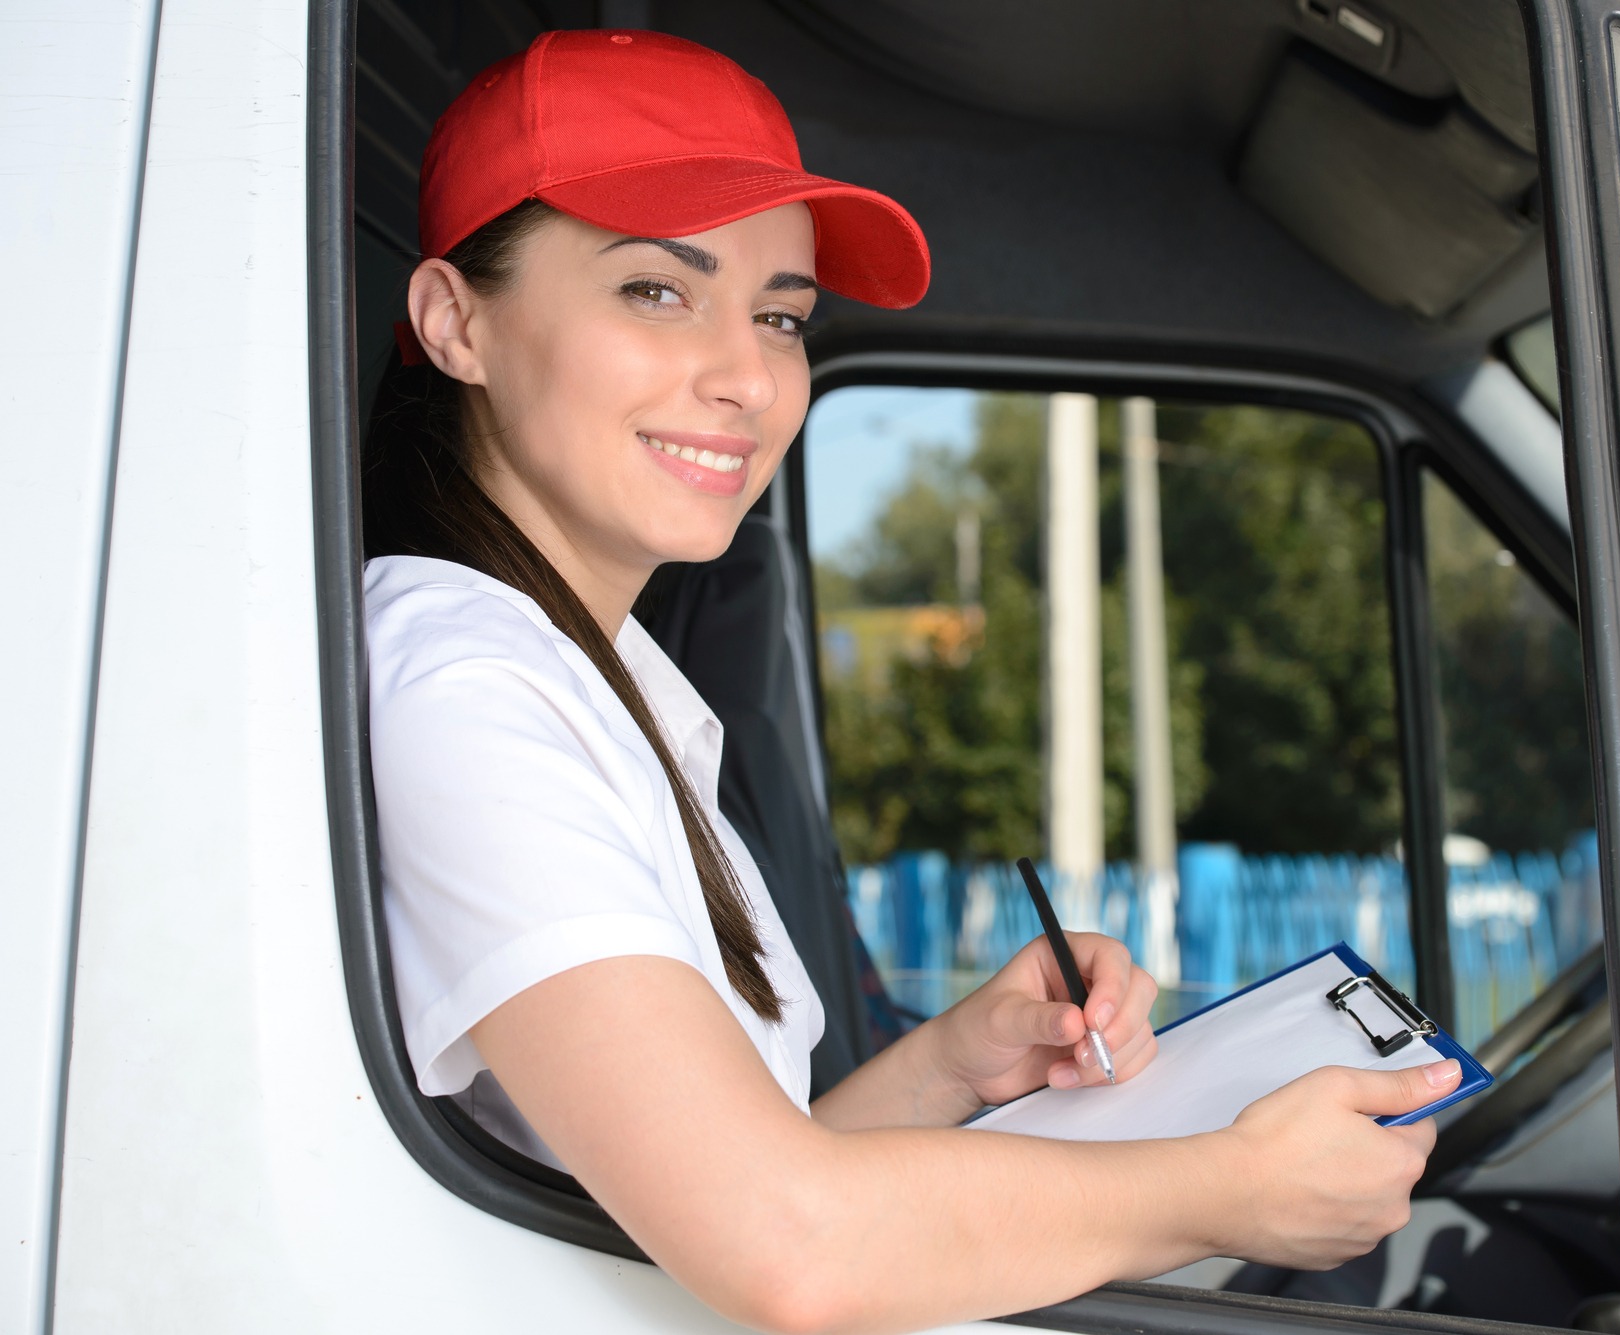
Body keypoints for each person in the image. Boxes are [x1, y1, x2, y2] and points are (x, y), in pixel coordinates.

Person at [362, 29, 1460, 1335]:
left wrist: (956, 1062)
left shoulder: (600, 681)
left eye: (780, 316)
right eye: (658, 290)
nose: (746, 375)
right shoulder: (457, 683)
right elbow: (789, 1248)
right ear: (454, 322)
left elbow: (727, 1189)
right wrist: (1229, 1190)